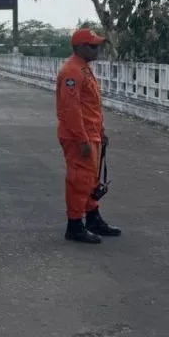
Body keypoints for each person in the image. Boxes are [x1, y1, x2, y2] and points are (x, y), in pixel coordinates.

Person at [55, 28, 121, 244]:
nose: (97, 49)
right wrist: (82, 139)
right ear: (80, 47)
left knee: (90, 179)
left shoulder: (83, 68)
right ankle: (74, 225)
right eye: (92, 46)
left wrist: (100, 133)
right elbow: (70, 110)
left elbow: (89, 106)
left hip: (90, 133)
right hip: (78, 136)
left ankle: (93, 218)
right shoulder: (72, 72)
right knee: (78, 180)